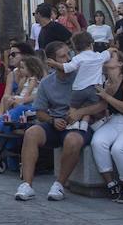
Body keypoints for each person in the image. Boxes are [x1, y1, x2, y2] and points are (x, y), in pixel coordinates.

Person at [13, 42, 100, 202]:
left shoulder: (83, 77)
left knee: (72, 140)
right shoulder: (47, 82)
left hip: (79, 124)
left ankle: (59, 184)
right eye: (63, 56)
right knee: (31, 133)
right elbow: (39, 112)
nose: (68, 59)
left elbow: (99, 106)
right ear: (52, 61)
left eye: (69, 54)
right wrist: (52, 121)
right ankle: (27, 184)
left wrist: (79, 112)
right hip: (55, 122)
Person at [90, 48, 123, 202]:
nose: (107, 57)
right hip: (113, 120)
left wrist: (106, 95)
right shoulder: (106, 81)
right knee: (97, 142)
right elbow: (102, 107)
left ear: (120, 63)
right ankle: (111, 184)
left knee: (119, 149)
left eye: (111, 56)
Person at [51, 31, 110, 129]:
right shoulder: (99, 56)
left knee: (73, 107)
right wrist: (112, 50)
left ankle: (74, 123)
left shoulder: (78, 58)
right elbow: (108, 53)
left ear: (76, 48)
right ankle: (85, 124)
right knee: (89, 107)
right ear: (91, 44)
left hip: (79, 89)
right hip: (95, 88)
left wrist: (55, 64)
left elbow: (67, 67)